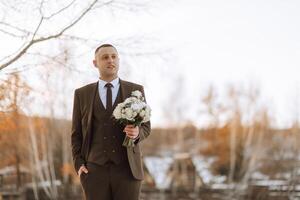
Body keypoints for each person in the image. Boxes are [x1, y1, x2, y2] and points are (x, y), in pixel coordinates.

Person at [71, 44, 151, 200]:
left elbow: (146, 127)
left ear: (119, 60)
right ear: (95, 63)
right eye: (105, 57)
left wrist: (137, 133)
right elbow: (76, 133)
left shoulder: (135, 90)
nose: (110, 60)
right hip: (94, 171)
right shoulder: (82, 94)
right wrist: (78, 164)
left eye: (114, 57)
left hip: (128, 170)